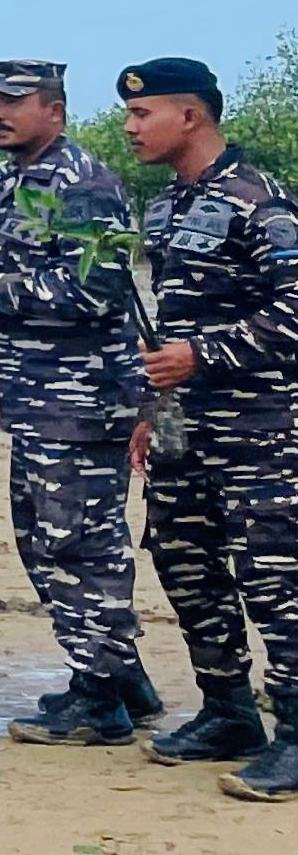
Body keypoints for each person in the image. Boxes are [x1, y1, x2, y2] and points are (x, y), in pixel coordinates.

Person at [0, 60, 159, 746]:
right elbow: (26, 274)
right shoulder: (8, 182)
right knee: (40, 540)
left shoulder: (81, 183)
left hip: (83, 398)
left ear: (54, 111)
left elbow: (97, 291)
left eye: (13, 102)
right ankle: (118, 676)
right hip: (32, 397)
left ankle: (98, 700)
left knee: (81, 546)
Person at [115, 58, 298, 800]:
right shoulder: (165, 209)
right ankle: (226, 710)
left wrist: (204, 356)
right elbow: (170, 324)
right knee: (186, 565)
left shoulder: (262, 204)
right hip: (183, 431)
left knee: (274, 580)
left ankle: (294, 732)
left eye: (141, 114)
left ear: (189, 116)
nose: (129, 128)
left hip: (260, 430)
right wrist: (148, 410)